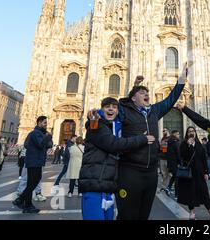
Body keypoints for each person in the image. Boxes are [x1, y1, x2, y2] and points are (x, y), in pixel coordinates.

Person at [114, 64, 187, 220]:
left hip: (150, 172)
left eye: (147, 92)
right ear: (133, 98)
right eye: (142, 92)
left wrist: (182, 79)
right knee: (126, 214)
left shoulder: (155, 110)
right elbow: (117, 109)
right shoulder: (125, 111)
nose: (146, 94)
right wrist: (133, 87)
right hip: (130, 170)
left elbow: (171, 98)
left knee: (143, 214)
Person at [79, 97, 151, 220]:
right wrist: (142, 139)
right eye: (107, 107)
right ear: (101, 110)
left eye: (114, 107)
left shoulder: (115, 127)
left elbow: (128, 111)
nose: (111, 109)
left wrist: (135, 89)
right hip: (94, 186)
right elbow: (114, 144)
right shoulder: (96, 126)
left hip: (107, 187)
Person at [13, 116, 53, 213]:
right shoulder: (35, 133)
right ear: (39, 123)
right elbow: (40, 144)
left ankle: (28, 205)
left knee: (32, 182)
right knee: (33, 182)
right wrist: (48, 137)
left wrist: (47, 139)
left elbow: (49, 145)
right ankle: (20, 200)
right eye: (44, 123)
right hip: (34, 160)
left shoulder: (38, 134)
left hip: (36, 160)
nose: (46, 125)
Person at [177, 126, 210, 220]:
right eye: (189, 132)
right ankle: (192, 212)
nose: (191, 133)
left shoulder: (199, 144)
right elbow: (182, 156)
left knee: (204, 191)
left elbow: (204, 159)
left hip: (200, 173)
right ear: (187, 134)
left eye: (193, 131)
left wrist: (206, 172)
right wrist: (188, 146)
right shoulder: (184, 144)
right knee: (190, 192)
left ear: (195, 133)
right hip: (190, 173)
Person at [165, 130, 181, 197]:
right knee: (177, 178)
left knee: (174, 176)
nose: (179, 135)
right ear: (174, 134)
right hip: (175, 163)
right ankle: (177, 195)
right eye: (178, 134)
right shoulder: (175, 142)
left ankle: (168, 188)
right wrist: (180, 162)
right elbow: (178, 154)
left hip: (171, 163)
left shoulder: (169, 142)